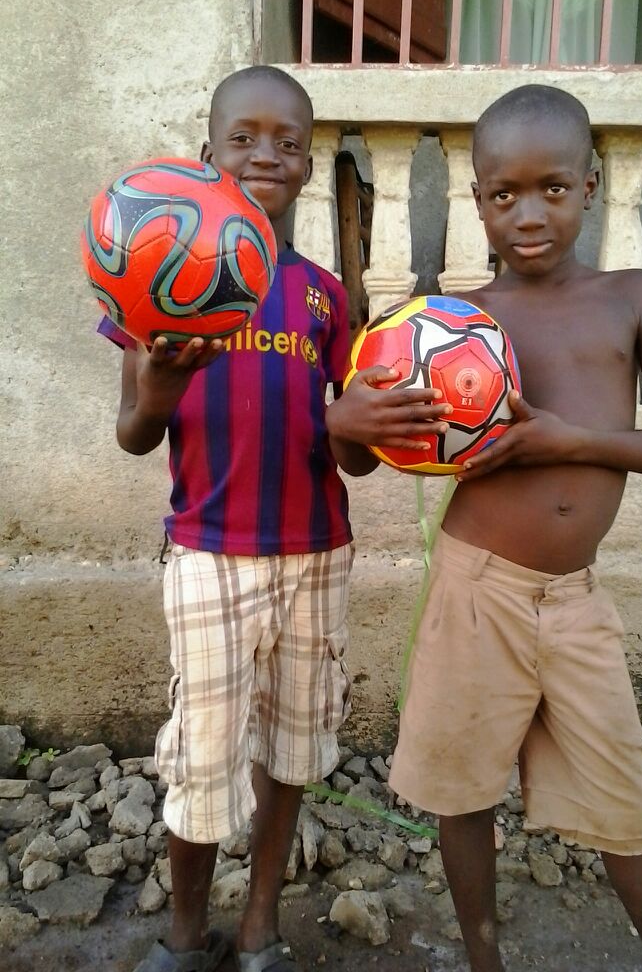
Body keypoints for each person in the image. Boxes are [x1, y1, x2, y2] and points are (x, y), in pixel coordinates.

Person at [326, 84, 642, 972]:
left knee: (627, 808)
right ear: (478, 202)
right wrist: (344, 422)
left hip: (575, 602)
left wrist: (571, 441)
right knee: (463, 791)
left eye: (553, 189)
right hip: (477, 591)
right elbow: (364, 457)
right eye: (505, 194)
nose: (529, 214)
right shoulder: (449, 324)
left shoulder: (634, 298)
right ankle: (484, 958)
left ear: (590, 187)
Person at [99, 65, 440, 972]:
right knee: (203, 753)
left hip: (316, 554)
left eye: (290, 142)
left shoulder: (323, 294)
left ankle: (259, 925)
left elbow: (356, 455)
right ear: (206, 152)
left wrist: (353, 425)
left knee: (294, 745)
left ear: (309, 164)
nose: (267, 156)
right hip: (210, 555)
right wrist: (158, 388)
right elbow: (134, 433)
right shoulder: (160, 279)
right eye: (244, 138)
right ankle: (184, 935)